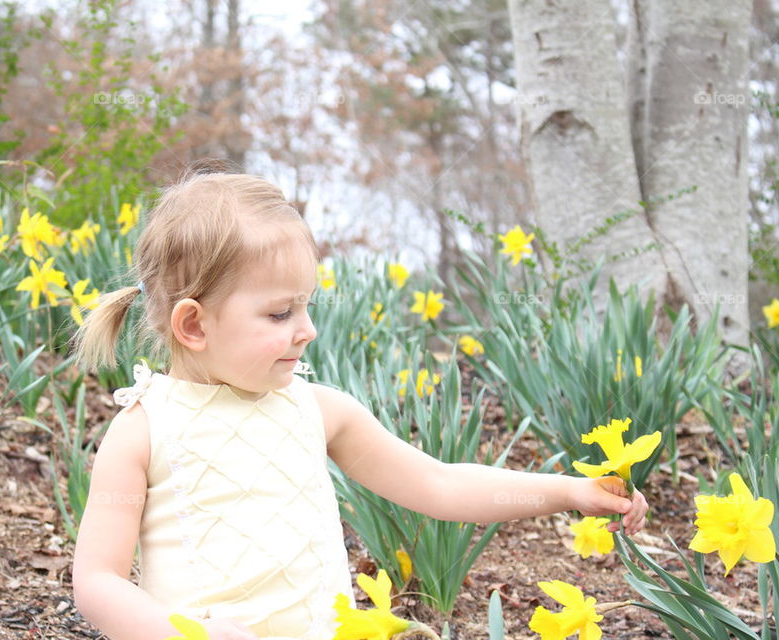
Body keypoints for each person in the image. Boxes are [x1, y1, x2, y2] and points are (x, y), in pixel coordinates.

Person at [69, 169, 649, 640]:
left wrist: (568, 491)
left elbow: (440, 486)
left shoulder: (319, 410)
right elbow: (97, 580)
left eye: (307, 307)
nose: (308, 330)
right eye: (280, 313)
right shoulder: (144, 430)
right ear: (193, 325)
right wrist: (184, 635)